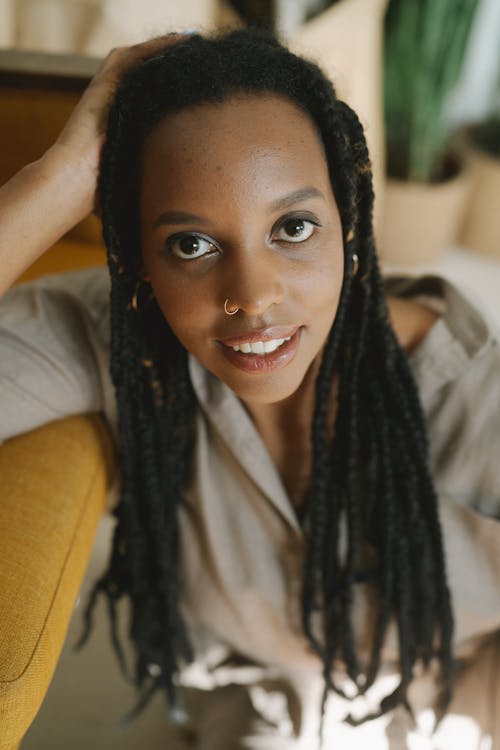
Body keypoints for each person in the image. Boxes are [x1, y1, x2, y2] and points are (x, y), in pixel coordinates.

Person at [0, 28, 499, 750]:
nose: (253, 297)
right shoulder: (123, 339)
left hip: (460, 700)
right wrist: (58, 181)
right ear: (140, 258)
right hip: (258, 710)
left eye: (293, 227)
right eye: (191, 245)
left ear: (348, 219)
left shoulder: (474, 398)